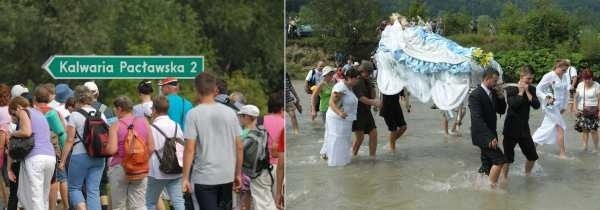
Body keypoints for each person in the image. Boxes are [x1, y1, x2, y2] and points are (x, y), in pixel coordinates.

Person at [182, 72, 243, 210]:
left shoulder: (193, 114)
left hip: (204, 178)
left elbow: (190, 149)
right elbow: (239, 147)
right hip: (226, 175)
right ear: (215, 89)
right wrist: (238, 174)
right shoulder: (230, 113)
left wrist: (185, 177)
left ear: (197, 90)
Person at [58, 85, 107, 210]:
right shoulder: (101, 114)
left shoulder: (74, 115)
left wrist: (62, 161)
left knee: (75, 187)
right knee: (94, 190)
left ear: (76, 99)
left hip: (80, 155)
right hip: (99, 156)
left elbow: (69, 140)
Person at [9, 96, 56, 209]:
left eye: (14, 114)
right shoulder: (39, 114)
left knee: (35, 196)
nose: (15, 117)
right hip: (50, 157)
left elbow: (26, 132)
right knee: (44, 197)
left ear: (18, 107)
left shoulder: (24, 111)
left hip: (35, 158)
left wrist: (13, 133)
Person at [107, 95, 154, 210]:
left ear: (119, 109)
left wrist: (106, 147)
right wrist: (141, 160)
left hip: (120, 167)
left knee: (119, 206)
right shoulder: (144, 122)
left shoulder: (115, 126)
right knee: (139, 205)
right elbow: (151, 147)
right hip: (140, 167)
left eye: (115, 109)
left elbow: (112, 150)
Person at [468, 68, 507, 188]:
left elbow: (502, 110)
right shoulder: (475, 95)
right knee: (500, 160)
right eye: (495, 81)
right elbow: (477, 118)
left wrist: (500, 96)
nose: (496, 83)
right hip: (482, 135)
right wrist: (489, 137)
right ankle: (491, 189)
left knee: (487, 164)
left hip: (491, 133)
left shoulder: (494, 92)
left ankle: (477, 186)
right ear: (486, 79)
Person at [146, 96, 185, 210]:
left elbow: (150, 148)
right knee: (178, 201)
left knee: (150, 202)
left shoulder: (152, 128)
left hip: (157, 171)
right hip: (175, 168)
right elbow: (181, 145)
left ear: (153, 110)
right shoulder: (176, 125)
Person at [33, 85, 69, 210]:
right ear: (48, 98)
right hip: (52, 152)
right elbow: (62, 134)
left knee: (37, 183)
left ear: (35, 98)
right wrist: (65, 153)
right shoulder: (52, 113)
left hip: (33, 152)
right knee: (55, 181)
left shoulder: (31, 112)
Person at [501, 65, 540, 178]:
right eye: (528, 78)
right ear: (521, 76)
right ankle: (504, 178)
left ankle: (527, 175)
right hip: (511, 128)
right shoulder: (511, 88)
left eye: (532, 79)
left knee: (532, 156)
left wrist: (527, 92)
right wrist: (521, 92)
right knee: (508, 158)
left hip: (524, 129)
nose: (530, 81)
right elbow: (513, 104)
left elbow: (537, 105)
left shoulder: (532, 89)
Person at [238, 105, 277, 210]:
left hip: (255, 174)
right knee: (266, 201)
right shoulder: (263, 130)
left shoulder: (245, 134)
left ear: (246, 116)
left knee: (262, 204)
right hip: (266, 170)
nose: (239, 119)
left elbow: (238, 152)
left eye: (240, 116)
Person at [533, 59, 570, 159]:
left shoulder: (565, 76)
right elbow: (538, 89)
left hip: (559, 107)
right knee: (561, 127)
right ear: (557, 67)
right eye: (563, 70)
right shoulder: (549, 76)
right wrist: (546, 97)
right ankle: (562, 153)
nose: (565, 72)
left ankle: (532, 145)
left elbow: (566, 92)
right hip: (550, 106)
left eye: (566, 70)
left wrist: (565, 106)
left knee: (545, 128)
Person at [324, 68, 360, 166]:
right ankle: (335, 165)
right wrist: (339, 112)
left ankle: (343, 163)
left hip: (346, 120)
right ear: (349, 78)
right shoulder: (341, 87)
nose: (358, 80)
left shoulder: (349, 87)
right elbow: (331, 102)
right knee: (338, 141)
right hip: (337, 120)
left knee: (345, 142)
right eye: (356, 78)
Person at [351, 61, 381, 157]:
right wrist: (374, 102)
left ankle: (372, 157)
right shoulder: (357, 81)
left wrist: (372, 88)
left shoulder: (368, 80)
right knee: (360, 137)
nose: (370, 73)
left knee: (374, 133)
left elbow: (372, 95)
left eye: (371, 72)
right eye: (368, 71)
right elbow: (360, 98)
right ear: (362, 71)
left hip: (366, 111)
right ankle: (353, 156)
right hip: (358, 112)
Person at [572, 69, 600, 153]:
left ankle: (596, 148)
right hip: (582, 110)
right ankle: (585, 147)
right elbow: (575, 98)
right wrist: (575, 109)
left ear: (592, 78)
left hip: (594, 110)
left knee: (593, 130)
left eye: (589, 78)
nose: (587, 80)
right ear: (582, 78)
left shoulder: (597, 85)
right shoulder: (580, 85)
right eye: (585, 79)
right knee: (584, 130)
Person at [264, 91, 285, 197]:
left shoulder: (260, 121)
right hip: (280, 167)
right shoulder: (284, 123)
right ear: (282, 107)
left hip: (262, 168)